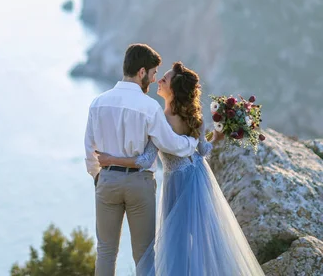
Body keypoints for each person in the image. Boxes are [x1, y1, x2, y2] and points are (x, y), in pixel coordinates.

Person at [96, 61, 264, 275]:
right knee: (202, 240)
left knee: (178, 242)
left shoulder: (160, 119)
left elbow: (146, 160)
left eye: (164, 80)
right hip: (198, 177)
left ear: (174, 89)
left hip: (179, 182)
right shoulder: (194, 117)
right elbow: (202, 150)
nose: (159, 81)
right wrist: (217, 137)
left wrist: (111, 159)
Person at [84, 44, 200, 276]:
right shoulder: (149, 107)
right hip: (139, 184)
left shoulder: (98, 102)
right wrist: (193, 143)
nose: (155, 78)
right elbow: (171, 144)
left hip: (107, 180)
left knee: (105, 252)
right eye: (154, 73)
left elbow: (89, 149)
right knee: (144, 255)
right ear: (141, 72)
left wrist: (98, 175)